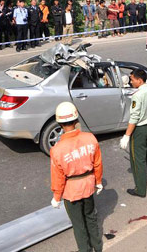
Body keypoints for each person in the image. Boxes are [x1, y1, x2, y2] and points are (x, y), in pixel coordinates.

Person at [50, 102, 103, 252]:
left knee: (78, 223)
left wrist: (56, 197)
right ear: (76, 120)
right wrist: (98, 181)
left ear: (59, 123)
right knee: (91, 217)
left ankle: (84, 250)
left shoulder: (57, 150)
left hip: (71, 190)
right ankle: (97, 247)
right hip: (88, 185)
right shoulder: (90, 138)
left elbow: (58, 177)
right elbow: (97, 164)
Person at [120, 69, 147, 198]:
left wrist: (127, 136)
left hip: (140, 130)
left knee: (138, 160)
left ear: (139, 80)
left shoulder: (137, 95)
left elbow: (134, 117)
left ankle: (140, 189)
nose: (131, 82)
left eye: (132, 80)